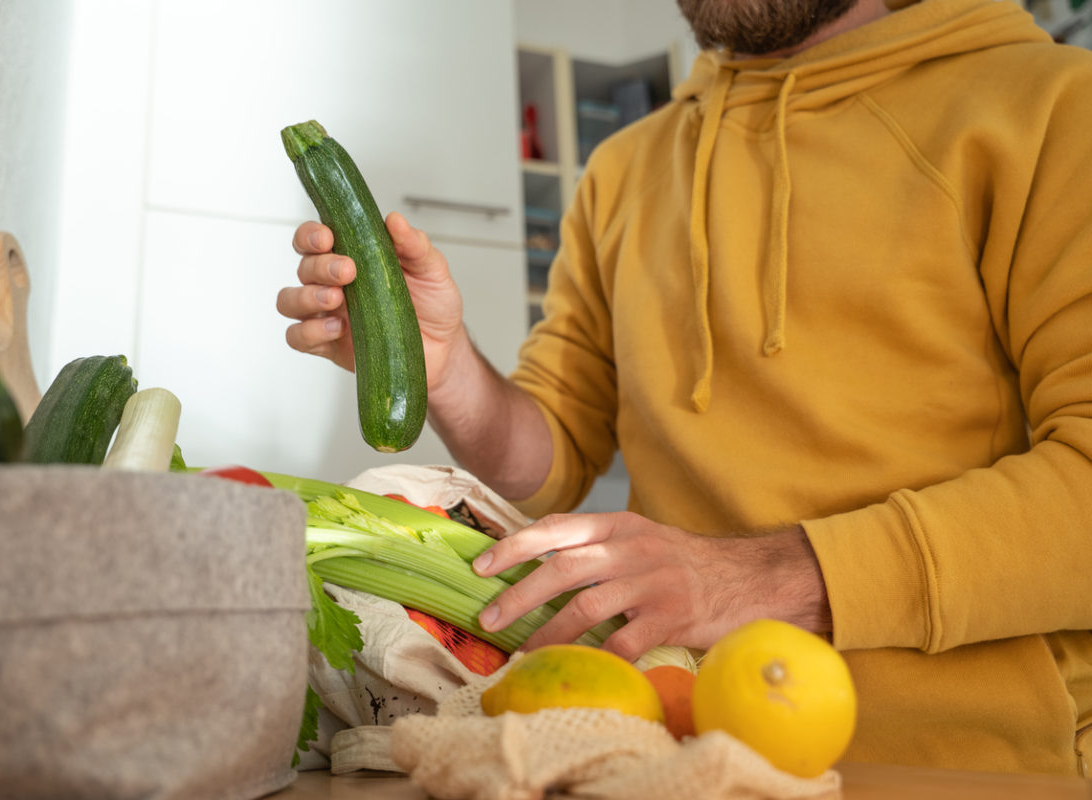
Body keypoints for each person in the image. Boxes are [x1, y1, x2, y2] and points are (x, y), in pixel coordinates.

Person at [277, 0, 1092, 777]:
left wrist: (759, 577)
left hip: (975, 767)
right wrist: (446, 369)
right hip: (665, 752)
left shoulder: (1055, 107)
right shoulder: (623, 168)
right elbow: (549, 456)